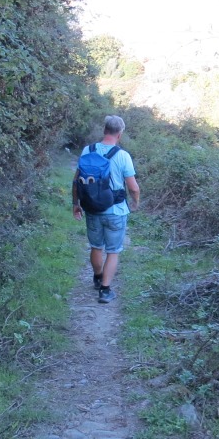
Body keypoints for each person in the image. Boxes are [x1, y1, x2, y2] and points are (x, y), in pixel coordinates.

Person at [72, 115, 140, 303]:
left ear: (104, 130)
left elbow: (76, 181)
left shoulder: (88, 150)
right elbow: (133, 187)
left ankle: (97, 277)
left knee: (96, 246)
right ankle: (105, 290)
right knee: (113, 251)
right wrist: (135, 202)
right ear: (120, 134)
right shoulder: (123, 156)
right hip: (116, 211)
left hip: (92, 209)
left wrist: (76, 204)